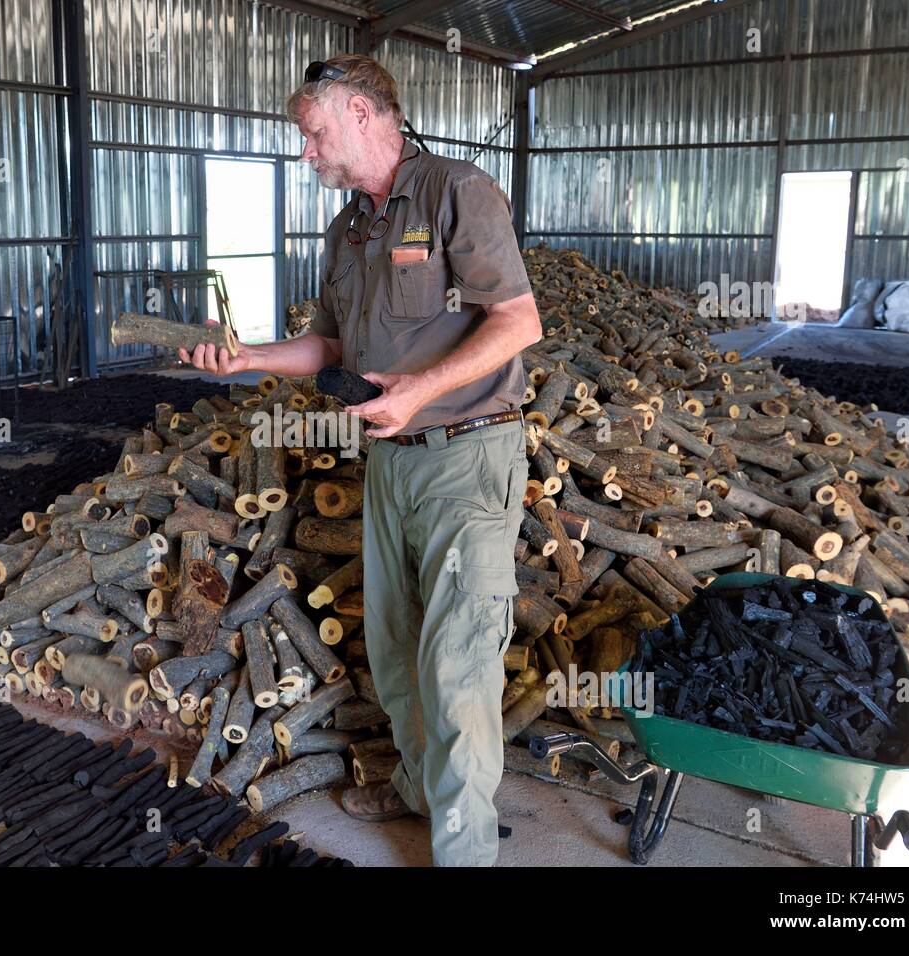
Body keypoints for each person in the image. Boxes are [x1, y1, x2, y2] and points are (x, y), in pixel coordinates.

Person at [179, 54, 542, 867]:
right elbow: (333, 346)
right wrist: (247, 360)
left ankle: (466, 853)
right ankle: (418, 788)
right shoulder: (351, 228)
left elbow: (517, 322)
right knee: (396, 645)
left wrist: (420, 391)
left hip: (467, 455)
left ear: (362, 115)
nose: (305, 152)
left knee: (457, 665)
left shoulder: (458, 192)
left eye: (312, 135)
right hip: (391, 462)